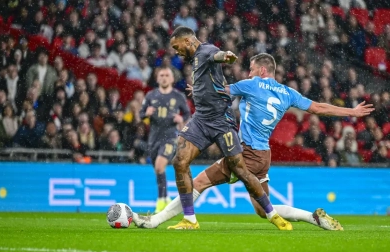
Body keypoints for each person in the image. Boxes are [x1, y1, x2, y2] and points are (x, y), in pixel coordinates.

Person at [133, 53, 374, 230]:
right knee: (262, 209)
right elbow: (319, 108)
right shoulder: (288, 92)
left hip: (246, 152)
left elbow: (222, 91)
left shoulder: (252, 84)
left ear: (261, 71)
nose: (248, 73)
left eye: (250, 69)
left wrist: (197, 90)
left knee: (198, 182)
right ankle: (314, 218)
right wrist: (351, 112)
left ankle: (154, 221)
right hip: (263, 156)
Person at [167, 27, 291, 230]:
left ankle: (272, 214)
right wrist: (198, 88)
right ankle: (190, 219)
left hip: (221, 121)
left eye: (177, 46)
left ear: (188, 41)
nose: (176, 51)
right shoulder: (195, 59)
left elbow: (216, 56)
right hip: (201, 119)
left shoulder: (206, 51)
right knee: (179, 161)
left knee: (240, 169)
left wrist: (226, 56)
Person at [139, 67, 190, 213]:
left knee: (160, 166)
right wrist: (145, 113)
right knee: (157, 169)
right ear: (157, 78)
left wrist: (181, 118)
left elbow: (187, 114)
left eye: (167, 75)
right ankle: (166, 197)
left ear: (172, 79)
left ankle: (161, 201)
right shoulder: (150, 95)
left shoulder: (178, 96)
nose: (164, 77)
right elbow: (141, 114)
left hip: (170, 136)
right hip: (153, 138)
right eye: (161, 75)